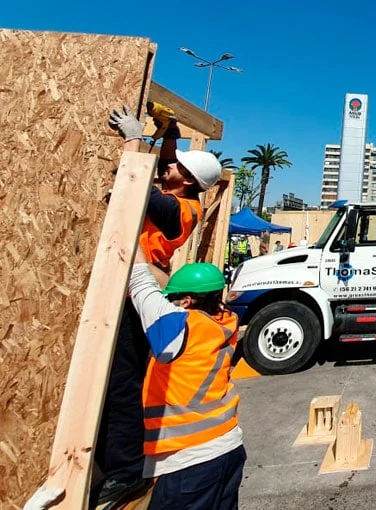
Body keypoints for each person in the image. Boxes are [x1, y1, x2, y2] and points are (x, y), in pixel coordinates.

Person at [94, 105, 222, 505]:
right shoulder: (175, 193)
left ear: (187, 180)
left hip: (138, 291)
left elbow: (142, 182)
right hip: (130, 286)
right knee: (119, 380)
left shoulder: (182, 209)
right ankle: (120, 463)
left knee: (123, 382)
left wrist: (137, 140)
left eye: (175, 166)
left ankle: (127, 471)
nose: (167, 168)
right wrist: (168, 132)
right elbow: (164, 167)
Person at [128, 245, 245, 509]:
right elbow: (166, 286)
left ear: (187, 301)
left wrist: (128, 227)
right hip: (228, 448)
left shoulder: (176, 328)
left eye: (172, 298)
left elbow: (140, 281)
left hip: (190, 461)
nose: (166, 300)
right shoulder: (224, 321)